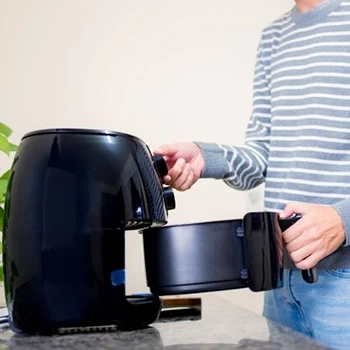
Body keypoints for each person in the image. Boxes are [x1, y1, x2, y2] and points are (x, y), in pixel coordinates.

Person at [153, 0, 350, 349]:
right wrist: (205, 157)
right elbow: (262, 152)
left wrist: (343, 219)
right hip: (279, 277)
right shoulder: (275, 36)